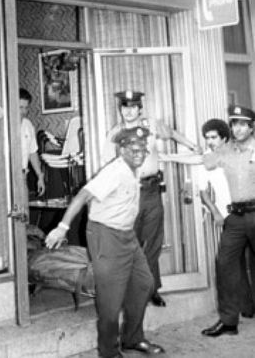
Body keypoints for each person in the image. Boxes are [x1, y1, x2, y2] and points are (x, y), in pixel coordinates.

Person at [45, 125, 165, 357]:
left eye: (142, 149)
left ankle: (132, 339)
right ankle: (108, 351)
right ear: (121, 150)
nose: (139, 153)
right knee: (111, 298)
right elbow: (83, 195)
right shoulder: (115, 171)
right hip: (106, 236)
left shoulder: (134, 168)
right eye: (133, 149)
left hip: (127, 235)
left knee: (144, 283)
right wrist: (62, 227)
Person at [103, 90, 199, 307]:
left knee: (153, 242)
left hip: (152, 191)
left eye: (132, 107)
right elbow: (107, 163)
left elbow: (173, 134)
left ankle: (151, 289)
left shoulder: (152, 126)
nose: (128, 111)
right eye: (124, 107)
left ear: (140, 109)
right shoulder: (115, 133)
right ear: (120, 109)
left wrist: (193, 146)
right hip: (128, 194)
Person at [201, 104, 255, 338]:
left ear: (251, 127)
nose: (238, 128)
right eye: (234, 124)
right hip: (234, 217)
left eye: (243, 124)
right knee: (224, 265)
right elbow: (204, 161)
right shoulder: (226, 150)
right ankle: (229, 321)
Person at [19, 88, 45, 200]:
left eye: (26, 108)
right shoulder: (4, 125)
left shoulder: (28, 125)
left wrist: (40, 176)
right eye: (20, 107)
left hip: (23, 176)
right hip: (5, 178)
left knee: (23, 213)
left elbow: (32, 152)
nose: (24, 112)